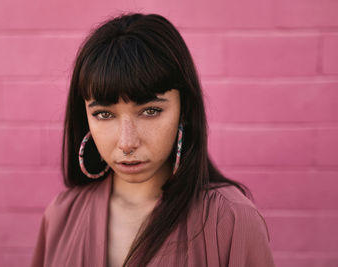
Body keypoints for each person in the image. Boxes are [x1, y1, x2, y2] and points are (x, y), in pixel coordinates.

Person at [30, 13, 275, 267]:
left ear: (184, 110)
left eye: (150, 111)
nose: (127, 143)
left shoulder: (230, 221)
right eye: (104, 114)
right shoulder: (60, 216)